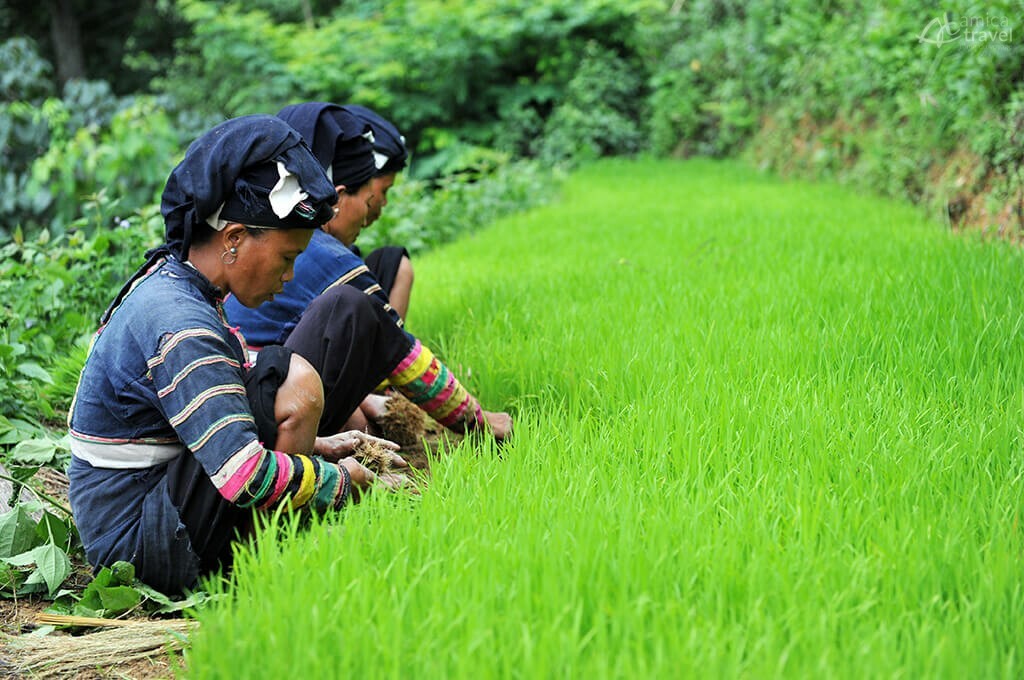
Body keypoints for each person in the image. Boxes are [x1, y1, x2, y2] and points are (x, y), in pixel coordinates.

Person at [67, 115, 409, 594]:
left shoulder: (180, 282)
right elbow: (242, 476)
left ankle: (265, 552)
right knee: (294, 381)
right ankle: (259, 568)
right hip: (138, 543)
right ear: (233, 239)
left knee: (274, 373)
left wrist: (318, 447)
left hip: (142, 512)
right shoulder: (181, 323)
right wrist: (340, 481)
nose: (288, 276)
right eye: (287, 258)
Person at [224, 103, 512, 440]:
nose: (373, 210)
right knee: (356, 310)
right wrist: (481, 422)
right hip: (260, 406)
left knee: (357, 416)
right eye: (371, 197)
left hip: (248, 391)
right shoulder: (325, 255)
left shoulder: (276, 242)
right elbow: (404, 353)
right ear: (339, 198)